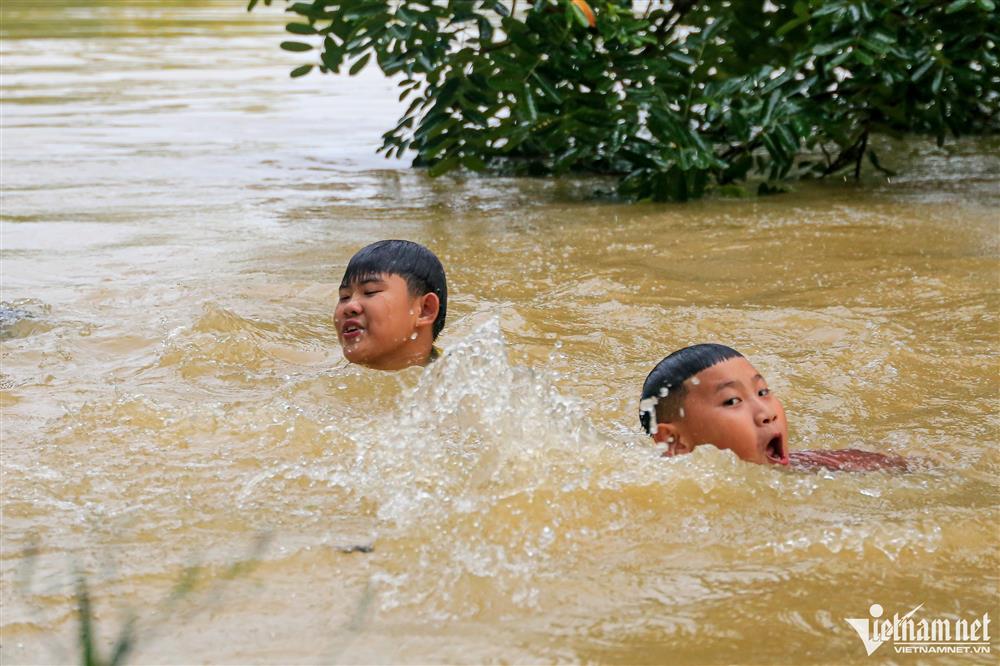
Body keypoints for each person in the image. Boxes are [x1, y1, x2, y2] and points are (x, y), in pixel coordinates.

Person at [639, 344, 909, 472]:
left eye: (763, 392)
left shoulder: (826, 467)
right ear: (673, 441)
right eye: (732, 401)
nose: (766, 413)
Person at [334, 240, 446, 371]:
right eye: (344, 297)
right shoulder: (326, 385)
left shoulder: (464, 382)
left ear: (425, 310)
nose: (349, 306)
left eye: (370, 291)